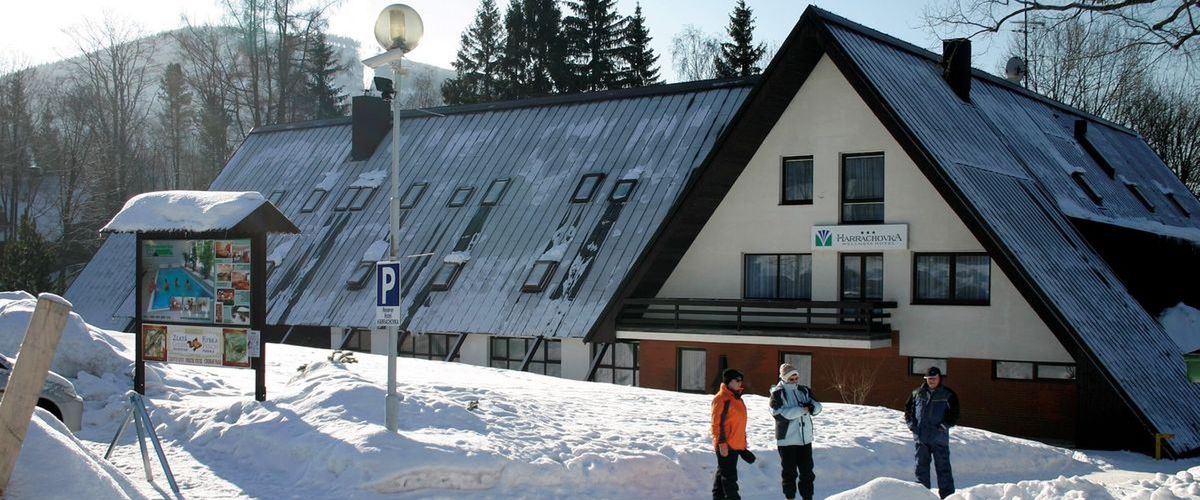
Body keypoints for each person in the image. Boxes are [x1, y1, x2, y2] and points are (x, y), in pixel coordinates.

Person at [904, 366, 960, 499]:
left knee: (943, 470)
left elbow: (954, 414)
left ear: (939, 378)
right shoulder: (917, 393)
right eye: (929, 379)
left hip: (939, 439)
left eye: (934, 379)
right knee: (921, 469)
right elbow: (908, 410)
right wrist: (912, 425)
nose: (931, 381)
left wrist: (944, 426)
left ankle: (948, 497)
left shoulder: (948, 394)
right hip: (921, 438)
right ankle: (922, 496)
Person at [769, 363, 822, 500]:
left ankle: (807, 497)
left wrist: (812, 408)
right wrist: (801, 410)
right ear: (784, 378)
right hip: (787, 440)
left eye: (796, 378)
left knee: (807, 472)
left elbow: (818, 406)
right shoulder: (777, 393)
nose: (794, 381)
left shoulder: (804, 390)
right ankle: (790, 497)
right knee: (789, 472)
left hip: (805, 439)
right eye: (791, 379)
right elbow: (778, 414)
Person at [711, 368, 749, 500]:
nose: (740, 383)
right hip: (726, 445)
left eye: (741, 380)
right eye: (737, 380)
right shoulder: (721, 398)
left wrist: (743, 444)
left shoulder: (737, 398)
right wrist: (722, 444)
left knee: (722, 476)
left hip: (734, 444)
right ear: (728, 381)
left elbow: (739, 424)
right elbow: (716, 424)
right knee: (730, 478)